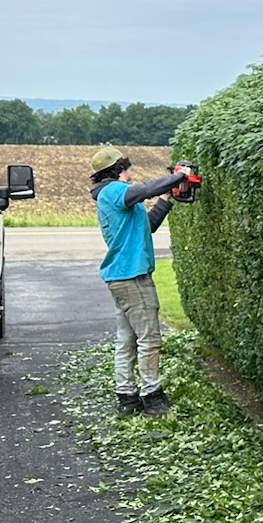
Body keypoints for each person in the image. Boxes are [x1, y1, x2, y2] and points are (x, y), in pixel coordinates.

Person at [88, 146, 190, 415]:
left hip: (120, 277)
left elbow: (149, 224)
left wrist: (167, 198)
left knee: (127, 339)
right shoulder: (113, 191)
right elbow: (143, 190)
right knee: (150, 339)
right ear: (119, 168)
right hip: (132, 276)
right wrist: (180, 176)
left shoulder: (111, 198)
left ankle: (127, 398)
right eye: (127, 167)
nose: (131, 173)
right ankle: (152, 397)